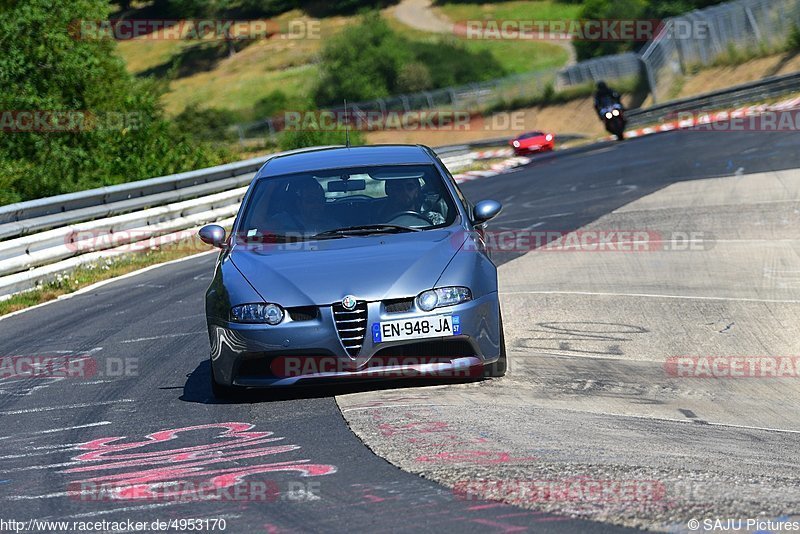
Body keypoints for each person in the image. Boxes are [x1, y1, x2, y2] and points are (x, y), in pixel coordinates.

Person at [380, 178, 445, 225]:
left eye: (410, 187)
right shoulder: (377, 222)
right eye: (398, 188)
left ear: (417, 191)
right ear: (390, 191)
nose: (405, 192)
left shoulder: (433, 219)